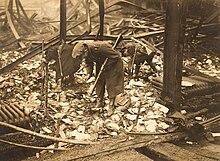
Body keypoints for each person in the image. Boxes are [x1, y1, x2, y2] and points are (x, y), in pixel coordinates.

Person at [72, 41, 124, 116]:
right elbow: (88, 61)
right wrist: (89, 73)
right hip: (101, 63)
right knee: (99, 82)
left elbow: (117, 56)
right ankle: (100, 101)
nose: (82, 58)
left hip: (113, 64)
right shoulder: (87, 52)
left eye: (82, 56)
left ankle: (111, 104)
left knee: (111, 83)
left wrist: (106, 65)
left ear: (85, 50)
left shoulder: (102, 47)